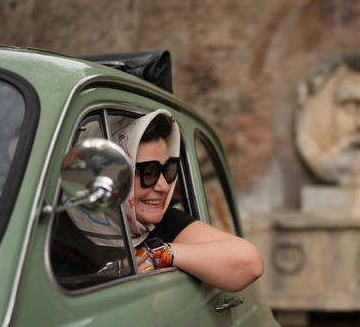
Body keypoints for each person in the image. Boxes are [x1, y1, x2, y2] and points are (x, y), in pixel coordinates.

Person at [62, 109, 263, 292]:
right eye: (148, 172)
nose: (165, 186)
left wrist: (158, 254)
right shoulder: (55, 227)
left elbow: (250, 264)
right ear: (106, 176)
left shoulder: (163, 222)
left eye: (168, 169)